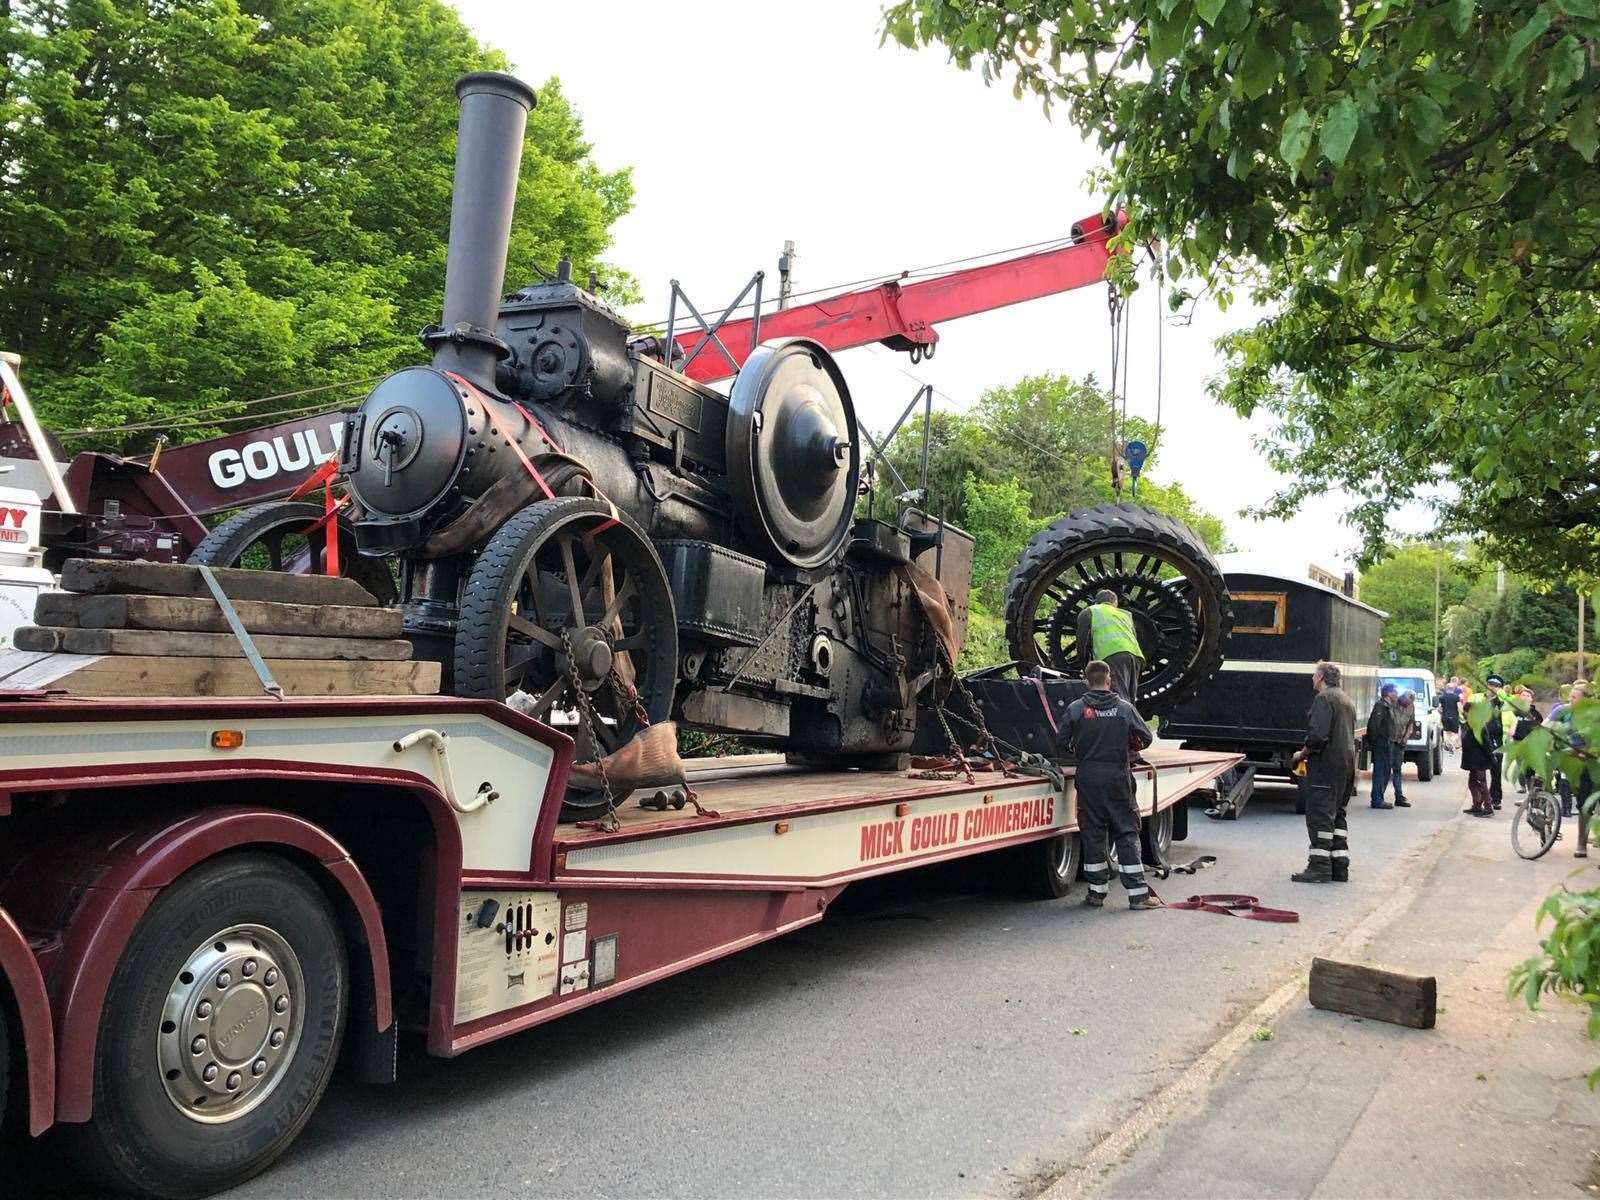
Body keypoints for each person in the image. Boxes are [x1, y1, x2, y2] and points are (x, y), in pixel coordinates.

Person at [1059, 659, 1163, 910]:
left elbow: (1062, 742)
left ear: (1086, 680)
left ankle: (1096, 894)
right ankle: (1138, 895)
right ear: (1110, 680)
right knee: (1125, 832)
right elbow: (1146, 738)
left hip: (1089, 779)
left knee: (1093, 833)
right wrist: (1127, 747)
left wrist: (1080, 748)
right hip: (1117, 778)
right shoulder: (1125, 709)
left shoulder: (1075, 709)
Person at [1290, 661, 1358, 883]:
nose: (1311, 679)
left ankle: (1319, 867)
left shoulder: (1324, 699)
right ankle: (1340, 866)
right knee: (1337, 814)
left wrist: (1302, 753)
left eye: (1313, 675)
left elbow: (1318, 735)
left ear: (1320, 678)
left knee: (1320, 815)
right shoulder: (1346, 700)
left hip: (1326, 766)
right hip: (1346, 766)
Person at [1076, 589, 1143, 706]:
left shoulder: (1089, 611)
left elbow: (1082, 642)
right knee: (1130, 699)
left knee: (1117, 697)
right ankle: (1131, 723)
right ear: (1115, 602)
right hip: (1135, 656)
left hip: (1112, 654)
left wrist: (1084, 667)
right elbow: (1134, 636)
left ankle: (1120, 723)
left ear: (1096, 602)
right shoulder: (1125, 614)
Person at [1460, 682, 1502, 817]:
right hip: (1473, 759)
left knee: (1481, 783)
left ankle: (1488, 806)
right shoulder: (1470, 724)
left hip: (1479, 760)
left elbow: (1486, 743)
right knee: (1473, 783)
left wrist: (1492, 757)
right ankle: (1477, 805)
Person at [1364, 683, 1399, 810]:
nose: (1397, 694)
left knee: (1385, 771)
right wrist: (1374, 743)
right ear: (1388, 694)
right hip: (1381, 744)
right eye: (1395, 692)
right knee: (1380, 772)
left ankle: (1379, 797)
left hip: (1386, 743)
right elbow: (1373, 726)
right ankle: (1377, 800)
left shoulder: (1388, 706)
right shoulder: (1381, 706)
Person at [1510, 685, 1543, 793]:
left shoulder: (1536, 714)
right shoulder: (1514, 712)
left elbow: (1540, 728)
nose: (1525, 697)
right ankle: (1523, 786)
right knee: (1521, 765)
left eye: (1527, 695)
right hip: (1518, 742)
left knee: (1530, 767)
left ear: (1531, 699)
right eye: (1523, 695)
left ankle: (1532, 790)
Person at [1387, 687, 1416, 808]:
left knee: (1397, 769)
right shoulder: (1393, 703)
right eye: (1405, 702)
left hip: (1400, 741)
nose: (1407, 705)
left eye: (1409, 703)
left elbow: (1411, 724)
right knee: (1386, 768)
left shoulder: (1411, 707)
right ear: (1402, 697)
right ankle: (1379, 797)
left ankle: (1399, 796)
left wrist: (1406, 737)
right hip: (1390, 740)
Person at [1484, 674, 1508, 809]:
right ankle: (1482, 799)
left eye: (1496, 686)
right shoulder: (1481, 700)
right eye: (1490, 685)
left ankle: (1496, 799)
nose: (1492, 688)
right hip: (1482, 741)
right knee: (1479, 773)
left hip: (1497, 742)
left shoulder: (1502, 703)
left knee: (1496, 772)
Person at [1439, 678, 1462, 754]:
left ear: (1446, 689)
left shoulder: (1442, 697)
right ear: (1454, 689)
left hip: (1445, 717)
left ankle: (1448, 743)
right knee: (1455, 733)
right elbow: (1459, 707)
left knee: (1446, 731)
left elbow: (1439, 708)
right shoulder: (1456, 697)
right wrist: (1463, 714)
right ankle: (1451, 742)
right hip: (1454, 717)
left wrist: (1441, 712)